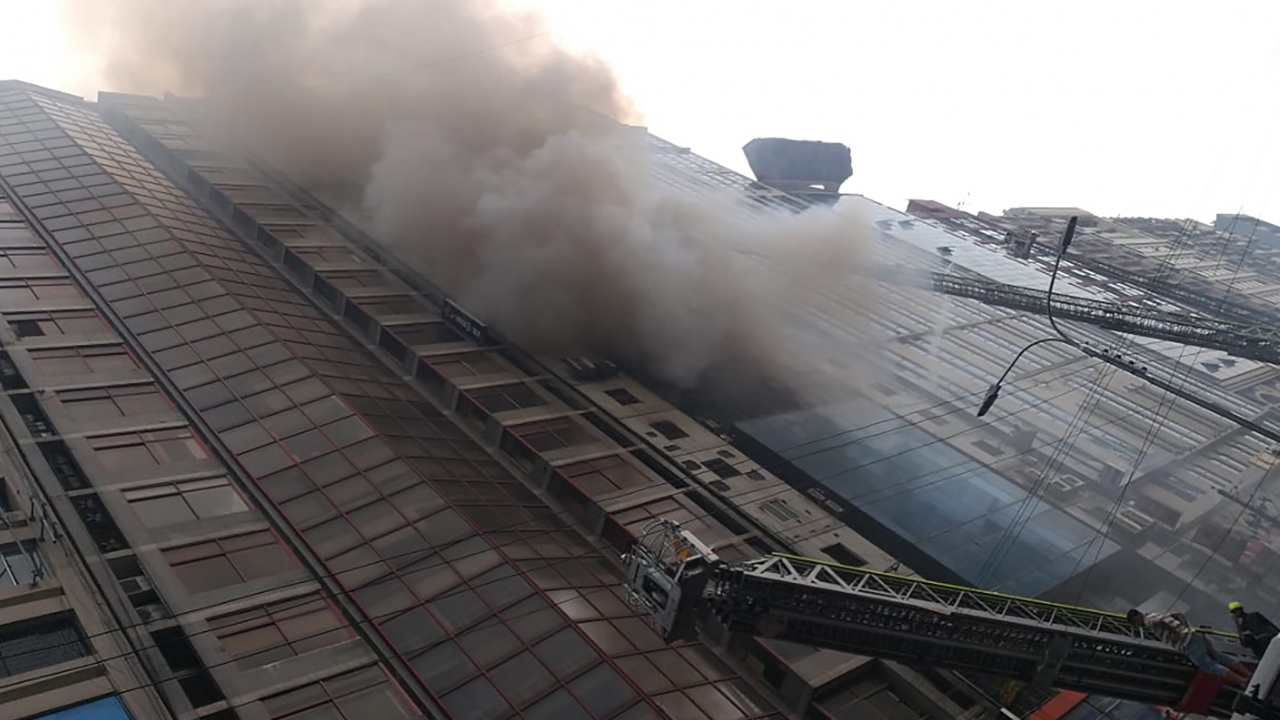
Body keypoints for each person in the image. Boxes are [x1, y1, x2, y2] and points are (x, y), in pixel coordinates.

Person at [1127, 608, 1252, 687]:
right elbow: (1179, 614)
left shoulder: (1149, 622)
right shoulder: (1154, 614)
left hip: (1187, 643)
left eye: (1135, 622)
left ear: (1137, 617)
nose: (1137, 625)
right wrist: (1185, 628)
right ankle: (1247, 674)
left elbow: (1159, 623)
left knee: (1209, 666)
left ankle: (1242, 681)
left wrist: (1177, 634)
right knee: (1218, 656)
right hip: (1193, 636)